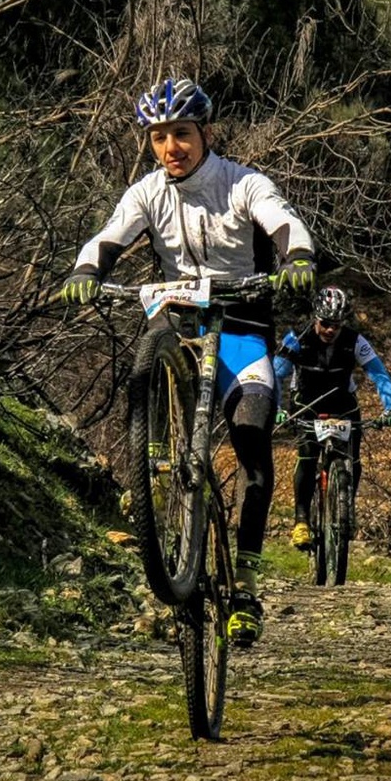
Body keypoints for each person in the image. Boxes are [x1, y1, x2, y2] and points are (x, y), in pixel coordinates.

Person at [57, 77, 317, 646]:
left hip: (241, 325)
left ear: (205, 133)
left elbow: (283, 221)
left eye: (181, 134)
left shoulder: (242, 181)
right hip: (175, 319)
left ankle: (245, 580)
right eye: (158, 137)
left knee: (252, 437)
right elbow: (110, 237)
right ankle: (151, 470)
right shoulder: (147, 192)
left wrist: (295, 255)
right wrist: (85, 271)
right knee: (146, 361)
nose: (170, 147)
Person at [273, 284, 391, 552]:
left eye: (337, 325)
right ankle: (301, 522)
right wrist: (276, 408)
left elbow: (378, 374)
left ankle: (344, 509)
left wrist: (389, 408)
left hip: (342, 401)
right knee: (307, 454)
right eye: (326, 323)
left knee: (353, 458)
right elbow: (275, 374)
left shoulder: (356, 341)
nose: (331, 330)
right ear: (316, 318)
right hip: (306, 401)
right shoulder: (297, 338)